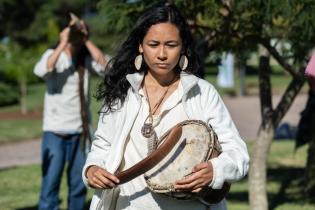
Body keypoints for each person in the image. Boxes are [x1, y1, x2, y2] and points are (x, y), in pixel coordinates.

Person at [82, 4, 249, 210]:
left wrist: (215, 170)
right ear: (140, 46)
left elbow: (238, 153)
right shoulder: (122, 93)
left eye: (171, 45)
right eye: (153, 44)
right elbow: (102, 146)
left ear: (182, 47)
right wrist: (91, 169)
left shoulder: (202, 93)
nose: (162, 54)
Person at [34, 14, 108, 210]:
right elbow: (43, 70)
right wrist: (62, 43)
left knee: (78, 186)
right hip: (55, 132)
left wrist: (86, 41)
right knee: (50, 183)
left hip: (80, 133)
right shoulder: (54, 56)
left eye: (81, 30)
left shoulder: (86, 59)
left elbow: (108, 67)